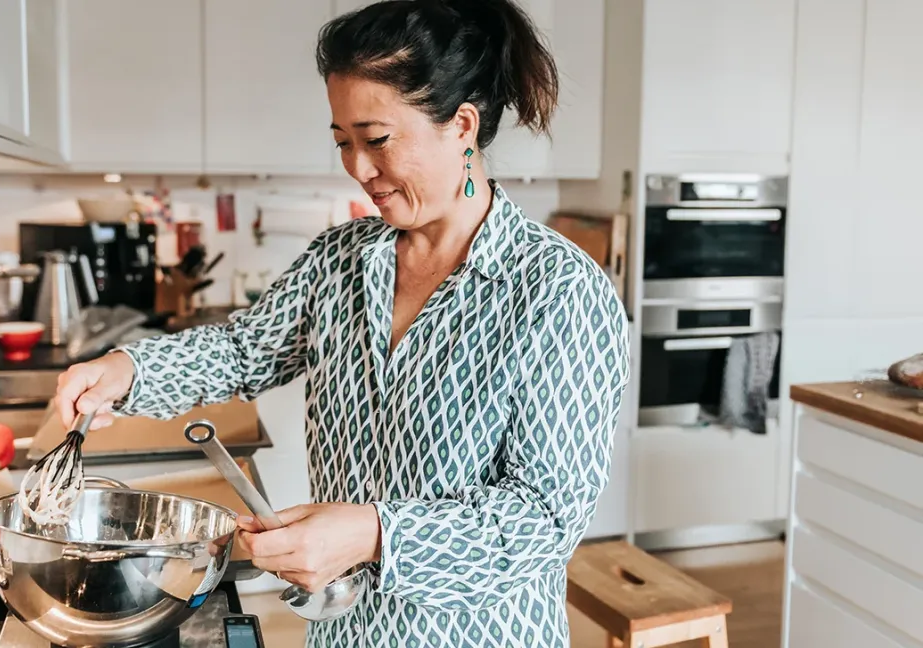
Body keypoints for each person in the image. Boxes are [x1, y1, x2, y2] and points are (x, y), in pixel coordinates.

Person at [54, 0, 630, 645]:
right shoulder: (341, 259)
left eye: (378, 139)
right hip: (344, 628)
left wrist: (372, 533)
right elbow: (244, 351)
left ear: (462, 125)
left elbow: (542, 521)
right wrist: (127, 369)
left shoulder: (558, 290)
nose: (358, 168)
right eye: (342, 142)